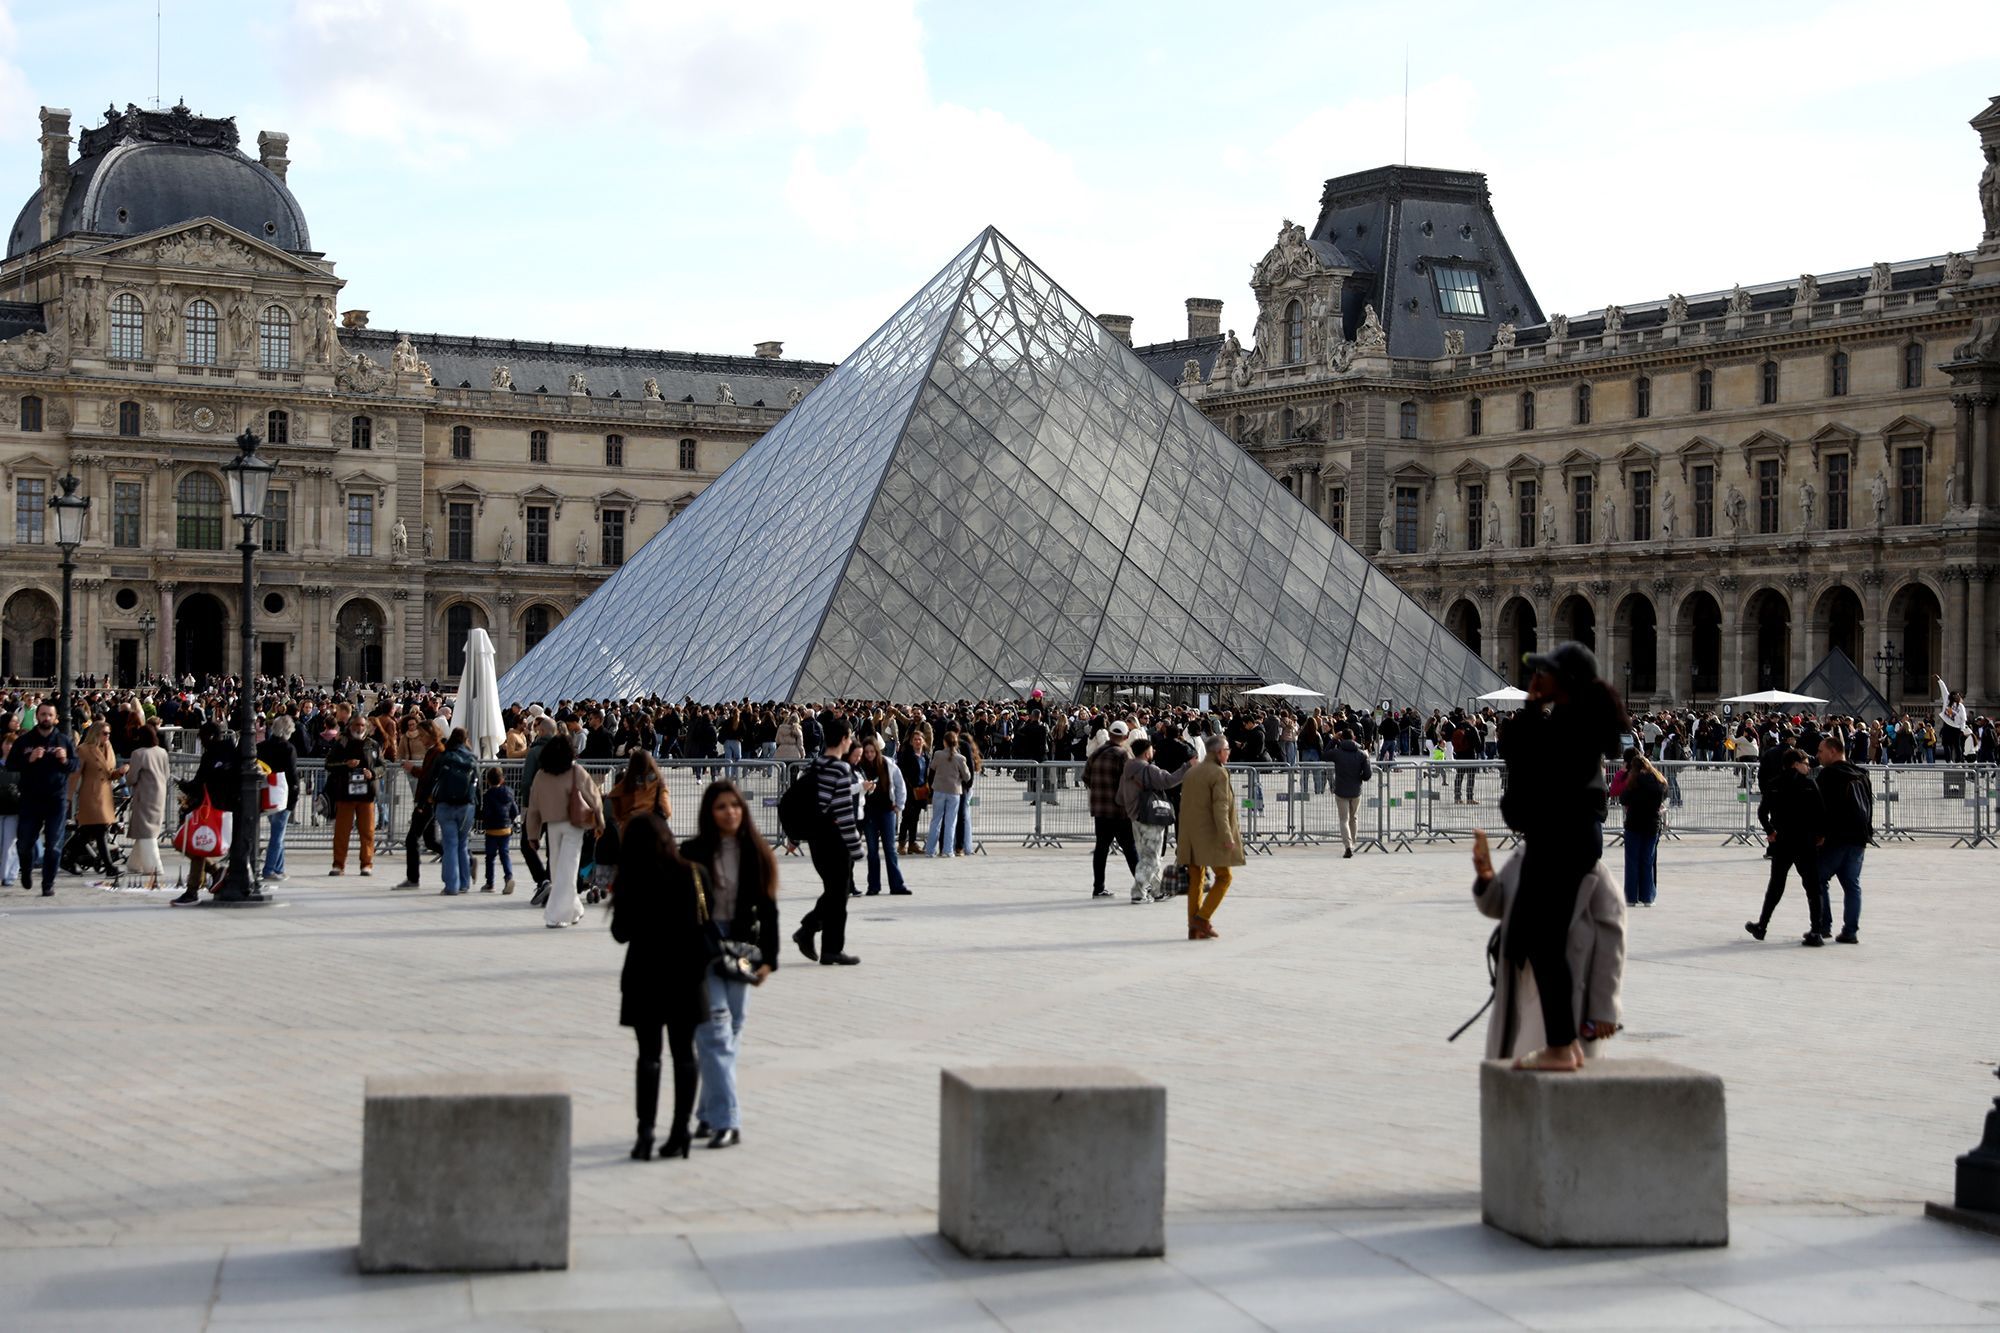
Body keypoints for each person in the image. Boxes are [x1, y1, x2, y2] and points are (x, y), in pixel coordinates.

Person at [1497, 641, 1625, 1072]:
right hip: (1566, 835)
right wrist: (1535, 708)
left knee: (1545, 942)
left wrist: (1532, 709)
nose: (1535, 679)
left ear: (1564, 682)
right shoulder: (1576, 719)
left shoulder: (1570, 724)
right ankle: (1563, 1043)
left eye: (1544, 673)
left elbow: (1522, 753)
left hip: (1562, 837)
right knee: (1543, 941)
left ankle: (1560, 1045)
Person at [681, 781, 780, 1149]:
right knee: (715, 1031)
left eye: (735, 805)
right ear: (710, 812)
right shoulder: (691, 852)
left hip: (742, 947)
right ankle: (727, 1120)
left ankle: (708, 1111)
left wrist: (770, 959)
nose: (730, 812)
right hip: (704, 946)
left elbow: (768, 909)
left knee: (732, 1028)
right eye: (721, 806)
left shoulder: (756, 851)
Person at [1469, 828, 1624, 1063]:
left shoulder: (1591, 871)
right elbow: (1498, 905)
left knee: (1553, 1077)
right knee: (1518, 1062)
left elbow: (1611, 946)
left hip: (1566, 987)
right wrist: (1487, 877)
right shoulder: (1523, 857)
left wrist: (1604, 1008)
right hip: (1522, 978)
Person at [609, 799, 705, 1162]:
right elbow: (704, 925)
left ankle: (645, 1132)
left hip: (643, 975)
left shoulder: (631, 879)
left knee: (648, 1056)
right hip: (686, 975)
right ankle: (680, 1130)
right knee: (684, 1054)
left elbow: (620, 933)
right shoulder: (693, 873)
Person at [790, 718, 864, 966]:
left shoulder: (815, 765)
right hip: (834, 840)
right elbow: (843, 812)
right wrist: (856, 848)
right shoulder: (840, 769)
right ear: (844, 739)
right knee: (838, 894)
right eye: (850, 736)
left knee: (834, 892)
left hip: (816, 838)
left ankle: (814, 935)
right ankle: (826, 944)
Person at [1747, 746, 1827, 943]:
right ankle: (1816, 930)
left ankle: (1762, 926)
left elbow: (1762, 813)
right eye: (1805, 764)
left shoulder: (1774, 784)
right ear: (1795, 764)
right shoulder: (1809, 784)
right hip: (1806, 842)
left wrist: (1771, 831)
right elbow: (1821, 813)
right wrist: (1820, 835)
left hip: (1783, 841)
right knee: (1812, 886)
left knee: (1776, 886)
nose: (1808, 767)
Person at [524, 733, 602, 928]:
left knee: (557, 869)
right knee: (568, 869)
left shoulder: (542, 775)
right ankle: (561, 913)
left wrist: (532, 834)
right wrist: (600, 822)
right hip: (574, 825)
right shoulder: (576, 771)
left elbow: (533, 808)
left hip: (552, 825)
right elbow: (594, 798)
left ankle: (567, 911)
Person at [1177, 734, 1243, 940]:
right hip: (1211, 835)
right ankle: (1202, 918)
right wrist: (1227, 836)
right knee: (1224, 877)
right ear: (1218, 752)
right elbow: (1220, 808)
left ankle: (1193, 927)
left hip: (1190, 834)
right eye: (1227, 749)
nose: (1229, 752)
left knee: (1196, 878)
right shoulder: (1219, 774)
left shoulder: (1192, 772)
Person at [7, 703, 77, 896]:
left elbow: (75, 764)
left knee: (54, 844)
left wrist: (65, 760)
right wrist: (28, 760)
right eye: (43, 714)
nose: (46, 718)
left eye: (50, 715)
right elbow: (11, 764)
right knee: (24, 843)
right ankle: (26, 870)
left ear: (55, 718)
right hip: (31, 798)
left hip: (56, 798)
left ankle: (48, 884)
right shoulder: (25, 741)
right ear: (37, 716)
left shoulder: (63, 740)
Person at [1814, 733, 1872, 945]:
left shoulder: (1828, 775)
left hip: (1836, 838)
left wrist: (1819, 834)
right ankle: (1850, 931)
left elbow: (1822, 809)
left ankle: (1823, 925)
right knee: (1852, 885)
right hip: (1858, 838)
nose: (1817, 755)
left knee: (1818, 879)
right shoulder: (1861, 773)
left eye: (1821, 751)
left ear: (1833, 751)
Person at [1119, 735, 1189, 903]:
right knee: (1152, 857)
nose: (1154, 751)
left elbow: (1120, 796)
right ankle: (1138, 892)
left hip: (1135, 817)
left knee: (1146, 855)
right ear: (1146, 752)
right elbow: (1169, 781)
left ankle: (1158, 891)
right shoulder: (1149, 769)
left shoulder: (1127, 769)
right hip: (1150, 818)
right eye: (1151, 748)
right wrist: (1186, 767)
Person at [64, 720, 124, 878]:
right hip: (91, 794)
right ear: (96, 733)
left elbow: (110, 773)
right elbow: (74, 775)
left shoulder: (108, 748)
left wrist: (120, 772)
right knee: (100, 830)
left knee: (88, 831)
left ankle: (67, 857)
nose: (107, 736)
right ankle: (110, 867)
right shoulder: (83, 749)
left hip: (105, 794)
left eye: (109, 733)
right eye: (105, 733)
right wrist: (68, 797)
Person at [1085, 720, 1137, 898]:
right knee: (1130, 848)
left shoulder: (1097, 753)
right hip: (1119, 811)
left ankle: (1098, 887)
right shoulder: (1123, 754)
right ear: (1125, 736)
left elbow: (1086, 777)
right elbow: (1132, 780)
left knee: (1101, 848)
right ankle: (1142, 884)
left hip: (1100, 809)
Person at [326, 714, 381, 876]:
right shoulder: (342, 743)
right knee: (342, 832)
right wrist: (345, 765)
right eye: (356, 725)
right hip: (345, 793)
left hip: (366, 794)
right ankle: (338, 864)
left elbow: (382, 766)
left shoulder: (373, 745)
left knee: (368, 831)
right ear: (350, 726)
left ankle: (366, 864)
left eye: (363, 725)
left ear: (367, 727)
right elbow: (328, 764)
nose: (359, 728)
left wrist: (372, 773)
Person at [1613, 747, 1666, 908]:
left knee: (1632, 861)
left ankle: (1631, 897)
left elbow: (1623, 799)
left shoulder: (1633, 783)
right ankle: (1648, 897)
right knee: (1647, 861)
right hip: (1652, 824)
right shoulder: (1659, 782)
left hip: (1634, 823)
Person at [430, 728, 479, 895]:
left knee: (449, 844)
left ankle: (451, 885)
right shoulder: (472, 758)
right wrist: (478, 806)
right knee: (462, 844)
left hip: (445, 804)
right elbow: (476, 784)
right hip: (466, 806)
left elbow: (432, 778)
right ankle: (464, 883)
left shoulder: (444, 757)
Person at [857, 737, 908, 895]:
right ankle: (873, 886)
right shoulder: (860, 766)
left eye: (872, 751)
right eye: (866, 752)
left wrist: (899, 805)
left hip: (887, 810)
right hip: (869, 812)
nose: (870, 755)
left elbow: (900, 785)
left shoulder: (888, 764)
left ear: (877, 751)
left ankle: (896, 885)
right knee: (872, 851)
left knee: (890, 849)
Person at [396, 721, 442, 890]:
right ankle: (465, 858)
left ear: (431, 734)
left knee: (412, 839)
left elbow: (429, 777)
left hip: (427, 801)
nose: (421, 740)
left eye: (422, 736)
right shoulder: (433, 751)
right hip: (426, 800)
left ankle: (413, 878)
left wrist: (413, 769)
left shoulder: (437, 752)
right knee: (430, 841)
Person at [124, 725, 171, 888]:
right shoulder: (162, 752)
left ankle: (154, 866)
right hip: (159, 793)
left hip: (144, 794)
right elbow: (167, 774)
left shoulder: (138, 754)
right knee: (149, 828)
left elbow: (132, 778)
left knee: (145, 830)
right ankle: (134, 863)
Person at [257, 715, 299, 882]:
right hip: (282, 793)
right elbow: (292, 775)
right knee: (277, 835)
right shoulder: (288, 749)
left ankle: (279, 868)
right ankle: (269, 869)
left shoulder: (261, 747)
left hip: (265, 791)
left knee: (278, 832)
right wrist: (293, 799)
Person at [924, 730, 970, 858]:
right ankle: (948, 850)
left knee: (936, 821)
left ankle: (930, 850)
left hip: (938, 790)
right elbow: (967, 776)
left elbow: (932, 769)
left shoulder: (938, 754)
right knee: (950, 822)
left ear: (944, 742)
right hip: (954, 791)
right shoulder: (961, 758)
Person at [1330, 727, 1372, 858]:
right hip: (1356, 790)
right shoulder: (1361, 754)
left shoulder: (1337, 752)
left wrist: (1333, 739)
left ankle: (1347, 846)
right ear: (1354, 738)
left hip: (1341, 790)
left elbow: (1324, 754)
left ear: (1341, 738)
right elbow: (1367, 775)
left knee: (1344, 820)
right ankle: (1352, 844)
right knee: (1353, 818)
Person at [608, 748, 672, 834]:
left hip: (629, 832)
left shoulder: (624, 785)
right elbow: (666, 811)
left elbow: (615, 810)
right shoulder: (658, 786)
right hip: (652, 831)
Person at [480, 766, 519, 893]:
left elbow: (486, 813)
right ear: (502, 779)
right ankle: (509, 877)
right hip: (506, 829)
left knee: (490, 857)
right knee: (505, 854)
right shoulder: (509, 792)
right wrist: (510, 821)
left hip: (492, 830)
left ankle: (490, 883)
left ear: (488, 781)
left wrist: (483, 819)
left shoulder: (488, 795)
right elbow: (515, 811)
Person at [895, 732, 930, 855]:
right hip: (909, 790)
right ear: (911, 741)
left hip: (921, 791)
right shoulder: (906, 755)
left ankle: (912, 843)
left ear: (923, 741)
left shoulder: (925, 755)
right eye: (915, 739)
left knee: (915, 818)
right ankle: (902, 843)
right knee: (906, 817)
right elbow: (901, 772)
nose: (917, 742)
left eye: (919, 739)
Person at [1937, 675, 1970, 762]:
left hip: (1956, 728)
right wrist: (1940, 681)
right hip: (1947, 725)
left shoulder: (1961, 706)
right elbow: (1944, 691)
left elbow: (1963, 719)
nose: (1958, 696)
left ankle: (1958, 761)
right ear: (1952, 696)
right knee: (1946, 744)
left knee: (1956, 745)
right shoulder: (1947, 700)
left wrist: (1962, 728)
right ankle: (1948, 761)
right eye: (1956, 695)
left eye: (1958, 695)